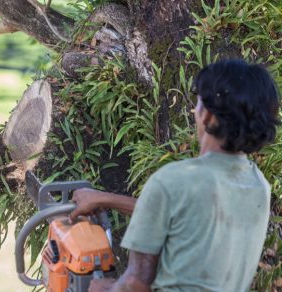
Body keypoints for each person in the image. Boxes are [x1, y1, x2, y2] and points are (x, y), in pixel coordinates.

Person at [70, 59, 280, 292]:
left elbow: (135, 283)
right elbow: (183, 214)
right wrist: (105, 199)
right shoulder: (257, 184)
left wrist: (102, 289)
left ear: (208, 116)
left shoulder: (174, 179)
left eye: (198, 103)